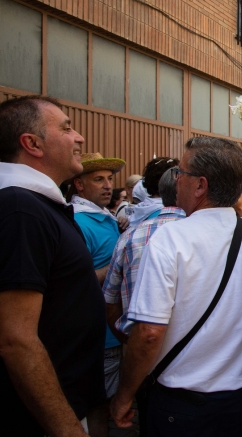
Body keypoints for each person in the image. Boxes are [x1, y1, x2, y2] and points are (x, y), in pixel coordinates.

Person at [110, 137, 242, 436]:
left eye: (180, 173)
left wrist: (123, 395)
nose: (176, 180)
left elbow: (148, 333)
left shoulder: (170, 239)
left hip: (180, 407)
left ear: (200, 186)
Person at [0, 95, 105, 436]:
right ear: (32, 143)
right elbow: (16, 338)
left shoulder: (37, 206)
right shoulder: (21, 208)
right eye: (66, 127)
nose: (79, 138)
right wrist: (68, 428)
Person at [69, 152, 127, 437]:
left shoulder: (105, 218)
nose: (107, 185)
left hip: (109, 331)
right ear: (79, 185)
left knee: (100, 407)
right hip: (96, 335)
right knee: (94, 405)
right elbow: (75, 282)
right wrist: (118, 264)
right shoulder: (79, 222)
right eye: (98, 179)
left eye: (110, 179)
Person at [103, 168, 185, 343]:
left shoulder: (130, 235)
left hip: (138, 348)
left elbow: (110, 303)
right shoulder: (206, 234)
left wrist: (129, 344)